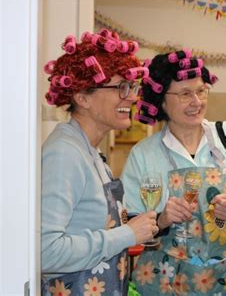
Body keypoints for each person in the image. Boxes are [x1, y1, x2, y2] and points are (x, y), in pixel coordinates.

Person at [121, 50, 226, 295]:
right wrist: (162, 219)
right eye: (185, 94)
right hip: (169, 282)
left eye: (201, 91)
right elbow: (130, 224)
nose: (197, 102)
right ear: (161, 99)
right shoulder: (144, 154)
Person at [41, 29, 159, 295]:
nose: (131, 97)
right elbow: (45, 252)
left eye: (131, 87)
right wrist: (127, 235)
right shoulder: (64, 154)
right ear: (82, 97)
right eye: (121, 87)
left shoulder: (90, 152)